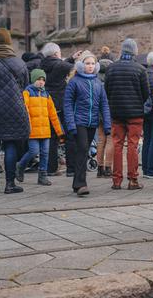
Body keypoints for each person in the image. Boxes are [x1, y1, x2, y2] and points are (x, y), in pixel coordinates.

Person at [0, 29, 30, 194]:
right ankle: (10, 184)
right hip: (14, 109)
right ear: (9, 42)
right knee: (10, 144)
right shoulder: (19, 64)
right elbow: (24, 86)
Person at [64, 51, 111, 196]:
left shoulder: (97, 83)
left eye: (92, 63)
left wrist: (107, 124)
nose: (90, 66)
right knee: (83, 149)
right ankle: (81, 184)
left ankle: (76, 183)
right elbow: (67, 104)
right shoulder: (74, 82)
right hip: (79, 121)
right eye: (87, 63)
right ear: (80, 65)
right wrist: (71, 124)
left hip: (92, 123)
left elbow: (104, 104)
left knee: (82, 152)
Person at [105, 38, 149, 190]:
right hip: (135, 113)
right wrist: (137, 102)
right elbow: (146, 93)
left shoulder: (112, 68)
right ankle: (133, 180)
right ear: (134, 51)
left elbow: (107, 90)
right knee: (133, 145)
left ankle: (116, 181)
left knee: (117, 145)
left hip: (117, 113)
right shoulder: (140, 69)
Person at [40, 43, 82, 177]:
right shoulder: (61, 65)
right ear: (57, 53)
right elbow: (74, 69)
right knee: (70, 134)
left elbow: (57, 66)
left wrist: (71, 58)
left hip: (47, 102)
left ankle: (51, 168)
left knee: (51, 137)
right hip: (63, 104)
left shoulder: (42, 64)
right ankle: (71, 169)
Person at [17, 69, 64, 186]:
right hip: (32, 130)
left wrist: (60, 132)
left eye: (43, 80)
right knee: (33, 151)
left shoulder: (46, 95)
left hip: (45, 131)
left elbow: (53, 115)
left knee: (45, 153)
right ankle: (21, 165)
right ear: (33, 80)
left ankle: (42, 176)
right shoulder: (27, 92)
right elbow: (25, 110)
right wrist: (27, 126)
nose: (41, 82)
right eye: (38, 79)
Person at [96, 57, 114, 178]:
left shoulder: (95, 80)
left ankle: (99, 168)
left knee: (100, 140)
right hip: (109, 112)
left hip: (98, 113)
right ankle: (108, 168)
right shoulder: (111, 80)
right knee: (110, 140)